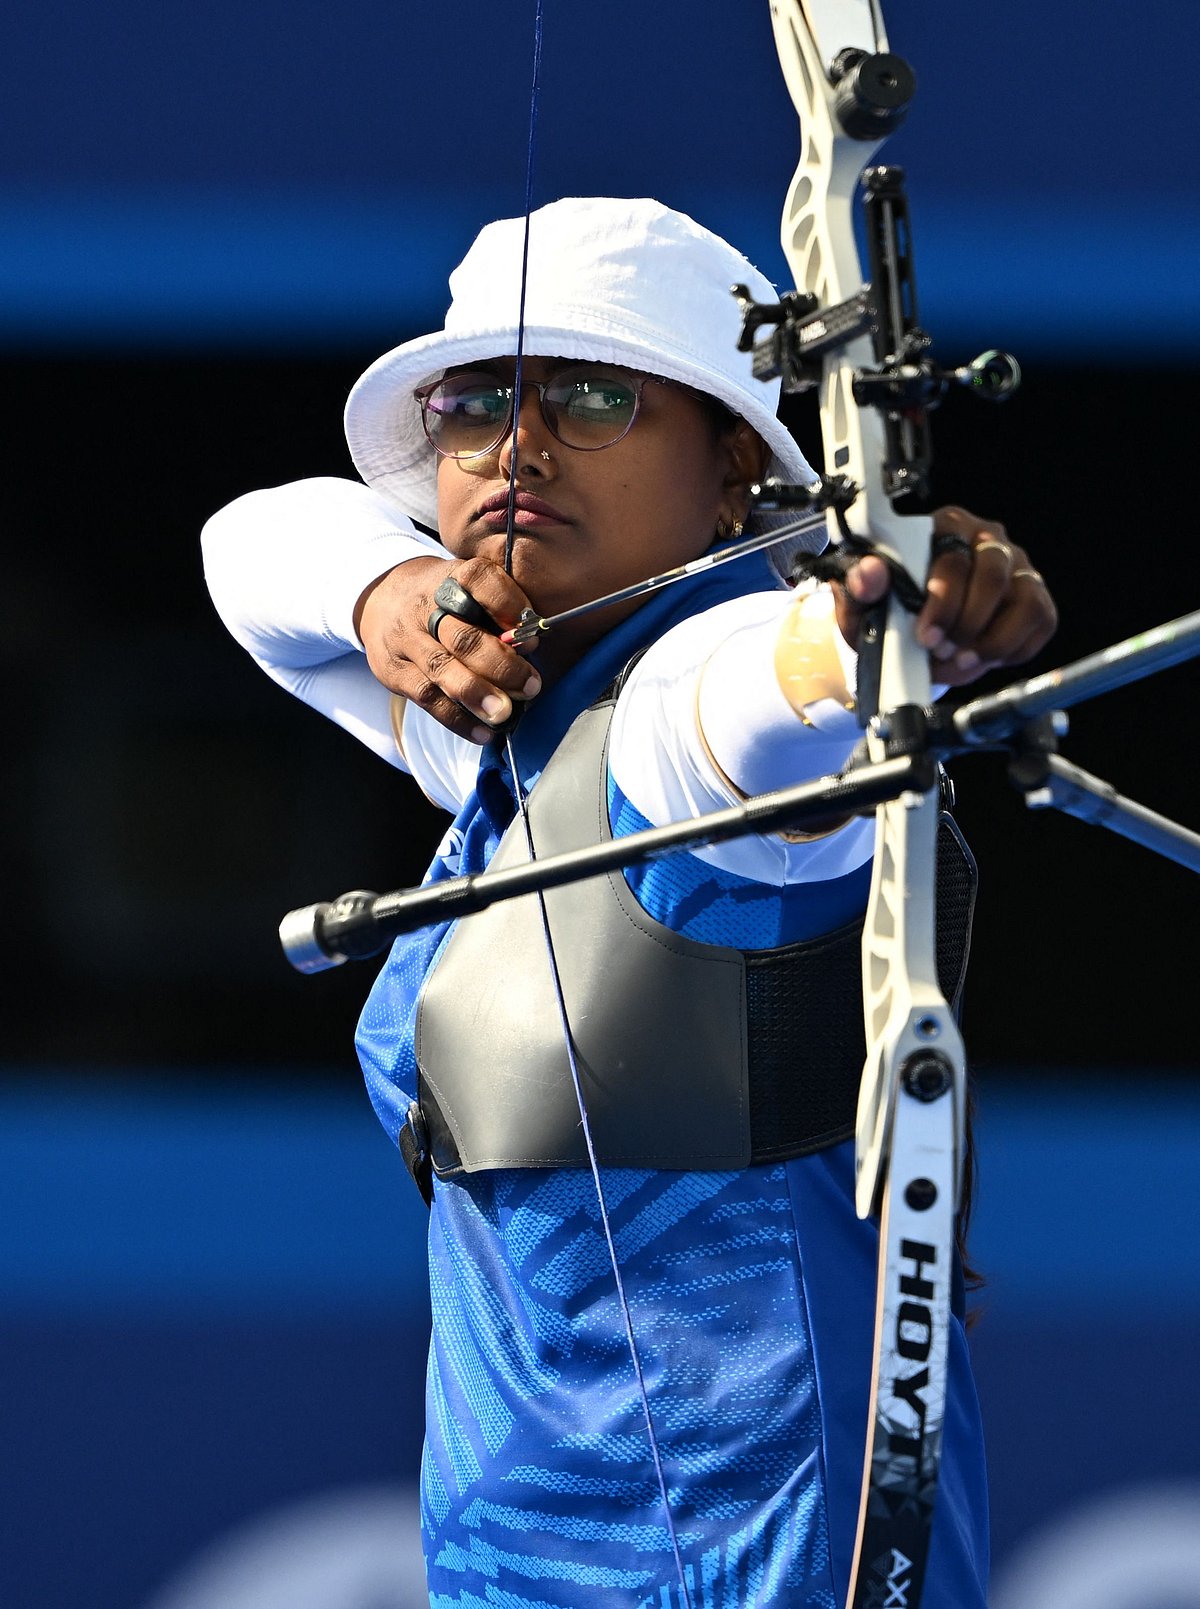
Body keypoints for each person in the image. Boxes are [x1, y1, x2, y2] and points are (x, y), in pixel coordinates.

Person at [203, 196, 1056, 1609]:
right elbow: (249, 545)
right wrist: (391, 592)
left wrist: (893, 618)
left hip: (749, 1566)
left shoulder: (685, 711)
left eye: (597, 398)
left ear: (733, 473)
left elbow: (777, 683)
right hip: (515, 1566)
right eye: (477, 403)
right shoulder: (493, 724)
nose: (517, 445)